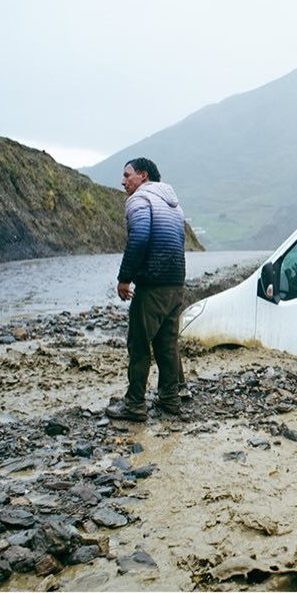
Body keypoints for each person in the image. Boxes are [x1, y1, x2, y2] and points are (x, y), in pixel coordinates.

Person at [105, 157, 188, 421]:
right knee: (167, 344)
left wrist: (124, 278)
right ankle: (170, 399)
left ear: (142, 175)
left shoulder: (140, 200)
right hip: (176, 283)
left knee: (139, 344)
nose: (122, 181)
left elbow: (139, 237)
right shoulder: (174, 204)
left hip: (152, 284)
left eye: (127, 175)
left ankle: (134, 405)